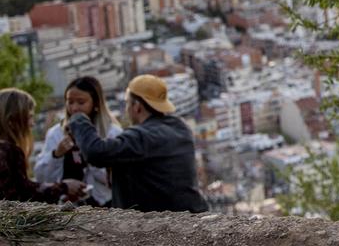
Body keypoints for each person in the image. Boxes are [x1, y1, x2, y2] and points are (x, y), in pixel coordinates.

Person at [67, 74, 208, 213]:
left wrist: (78, 119)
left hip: (163, 222)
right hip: (193, 211)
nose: (126, 109)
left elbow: (95, 152)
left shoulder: (141, 137)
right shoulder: (181, 128)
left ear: (137, 106)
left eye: (127, 103)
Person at [35, 76, 122, 207]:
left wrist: (92, 153)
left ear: (95, 104)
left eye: (81, 102)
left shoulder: (112, 133)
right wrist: (56, 154)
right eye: (70, 102)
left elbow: (119, 178)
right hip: (68, 207)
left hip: (106, 206)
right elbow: (42, 178)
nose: (74, 108)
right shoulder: (56, 134)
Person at [0, 87, 87, 203]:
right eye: (30, 116)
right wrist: (64, 187)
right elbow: (23, 193)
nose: (32, 123)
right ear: (12, 120)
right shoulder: (9, 151)